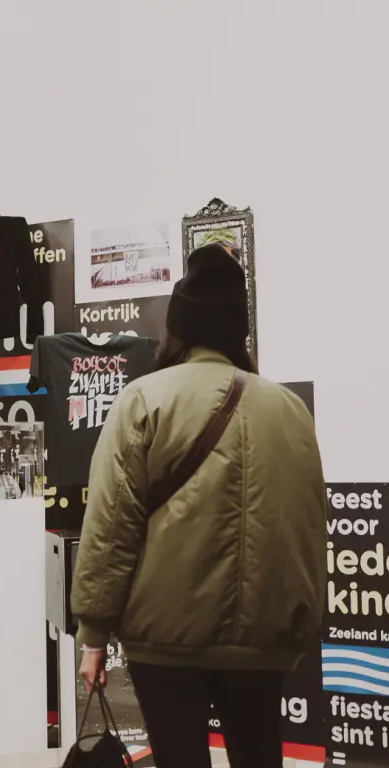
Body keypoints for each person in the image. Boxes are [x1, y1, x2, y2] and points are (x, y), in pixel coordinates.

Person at [70, 243, 327, 768]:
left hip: (164, 638)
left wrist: (93, 633)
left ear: (178, 329)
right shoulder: (290, 410)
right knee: (260, 758)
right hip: (264, 641)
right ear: (238, 331)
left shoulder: (144, 399)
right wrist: (298, 627)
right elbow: (308, 524)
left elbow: (111, 526)